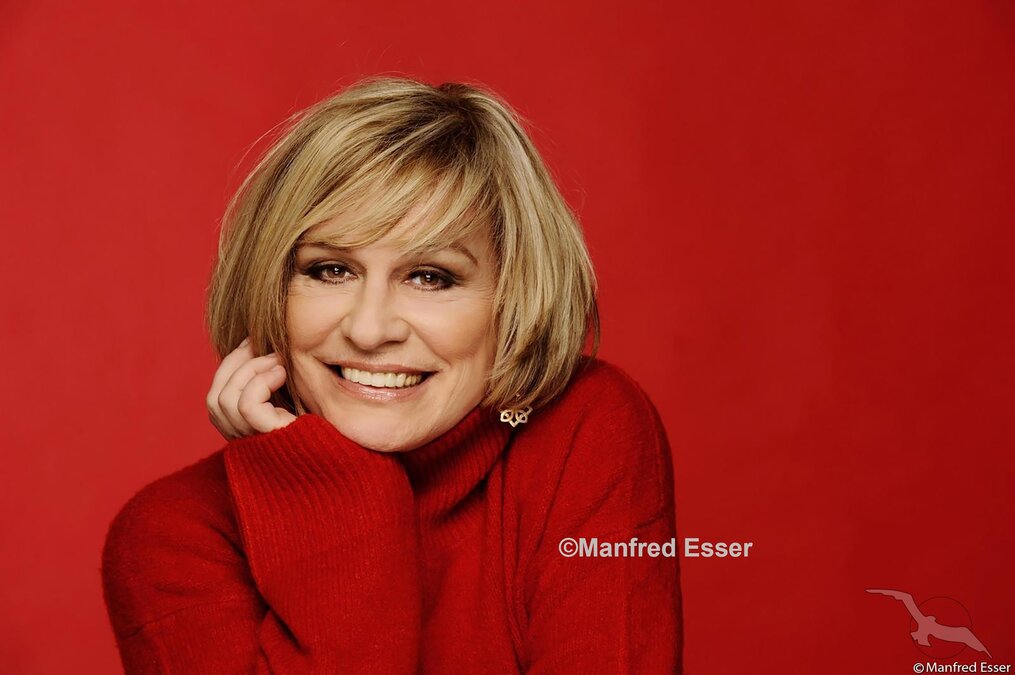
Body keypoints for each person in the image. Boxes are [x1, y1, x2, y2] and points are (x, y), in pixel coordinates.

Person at [100, 76, 683, 673]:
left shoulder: (583, 429)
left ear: (513, 296)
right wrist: (326, 491)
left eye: (430, 277)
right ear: (269, 285)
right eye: (330, 270)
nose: (369, 329)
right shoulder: (173, 537)